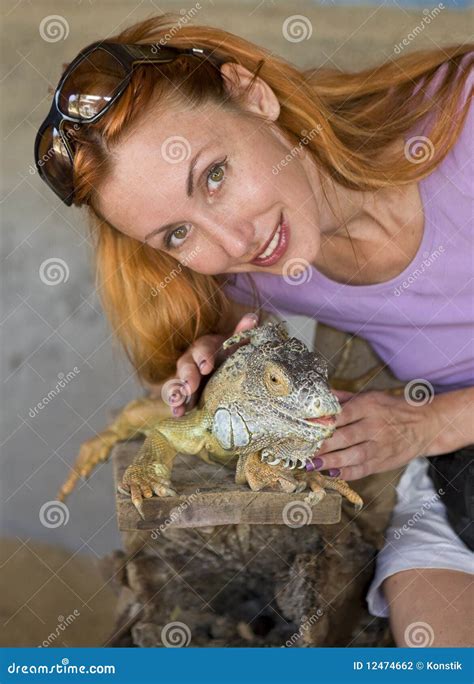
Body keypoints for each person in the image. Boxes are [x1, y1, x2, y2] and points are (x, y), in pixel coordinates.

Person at [34, 14, 473, 646]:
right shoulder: (242, 276)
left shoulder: (463, 118)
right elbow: (230, 345)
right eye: (177, 234)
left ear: (252, 94)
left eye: (214, 175)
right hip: (457, 478)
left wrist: (426, 423)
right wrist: (218, 365)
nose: (237, 240)